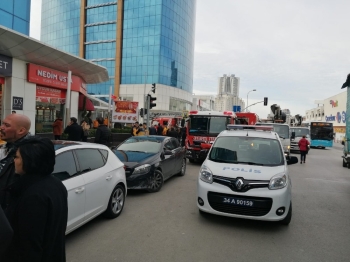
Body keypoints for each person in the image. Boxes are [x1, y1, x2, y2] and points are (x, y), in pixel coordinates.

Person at [4, 137, 67, 261]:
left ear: (29, 161)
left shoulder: (33, 196)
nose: (14, 161)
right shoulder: (55, 183)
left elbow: (29, 246)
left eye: (17, 157)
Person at [0, 114, 31, 209]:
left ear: (21, 131)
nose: (1, 127)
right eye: (2, 124)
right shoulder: (6, 148)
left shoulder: (30, 154)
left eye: (7, 125)